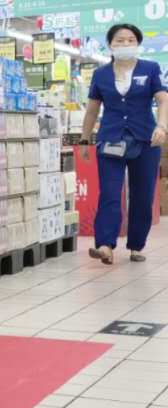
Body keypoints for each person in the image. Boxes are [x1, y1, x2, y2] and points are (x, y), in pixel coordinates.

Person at [80, 24, 168, 263]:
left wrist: (162, 126)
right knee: (109, 192)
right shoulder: (100, 74)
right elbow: (92, 110)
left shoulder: (150, 68)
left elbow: (163, 100)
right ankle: (105, 245)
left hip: (146, 140)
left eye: (131, 40)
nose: (125, 44)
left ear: (138, 44)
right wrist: (85, 139)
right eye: (120, 40)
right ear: (110, 45)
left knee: (142, 195)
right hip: (110, 138)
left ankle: (137, 245)